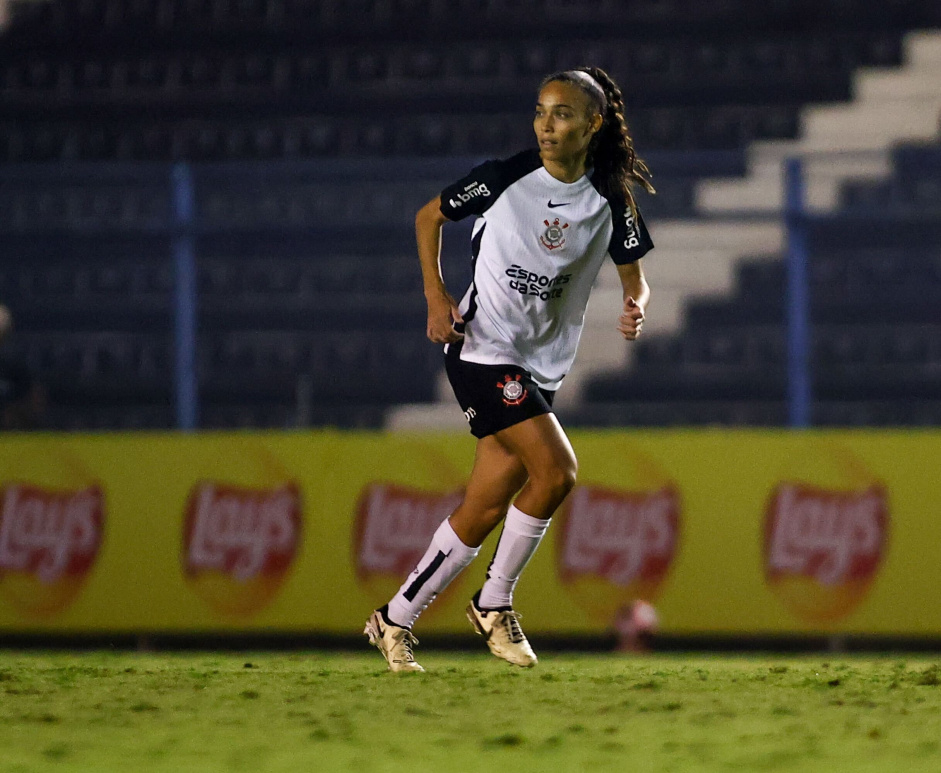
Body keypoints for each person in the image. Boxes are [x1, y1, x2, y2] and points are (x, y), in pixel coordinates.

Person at [365, 67, 655, 672]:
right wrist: (435, 296)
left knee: (485, 506)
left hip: (541, 364)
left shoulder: (611, 198)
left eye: (563, 114)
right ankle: (494, 605)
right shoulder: (503, 178)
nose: (547, 126)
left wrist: (636, 307)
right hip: (481, 349)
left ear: (593, 124)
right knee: (556, 471)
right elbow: (427, 217)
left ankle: (392, 621)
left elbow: (636, 277)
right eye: (541, 112)